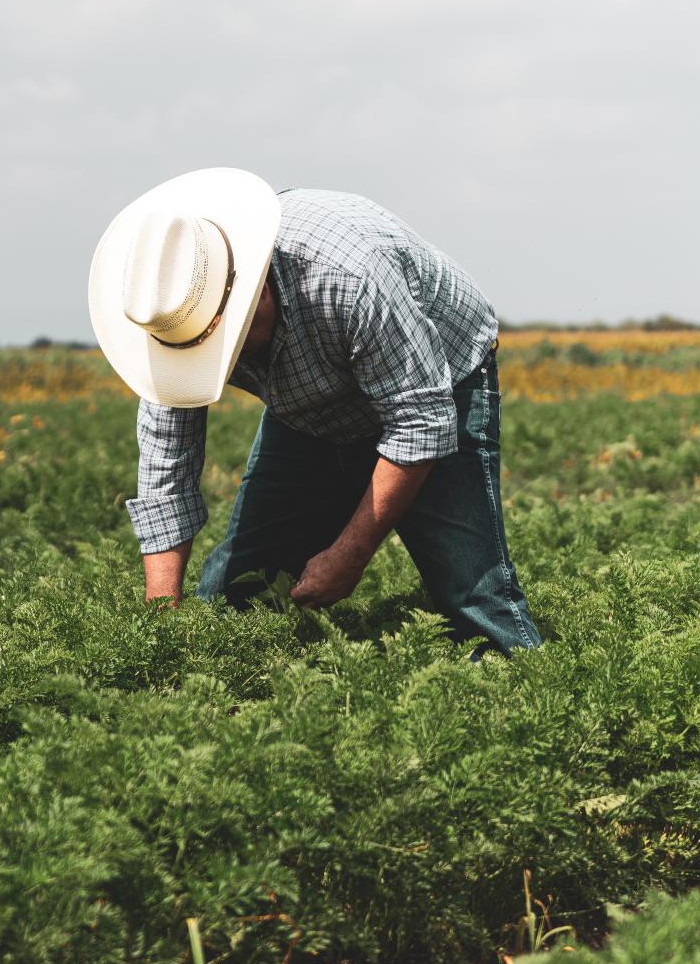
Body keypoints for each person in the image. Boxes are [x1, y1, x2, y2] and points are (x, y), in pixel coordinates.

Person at [88, 168, 541, 655]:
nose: (228, 356)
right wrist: (162, 630)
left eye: (231, 339)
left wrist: (351, 553)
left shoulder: (350, 276)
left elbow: (420, 422)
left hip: (440, 379)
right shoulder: (169, 313)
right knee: (234, 594)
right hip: (308, 406)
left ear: (254, 288)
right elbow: (165, 474)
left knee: (470, 591)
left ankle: (519, 673)